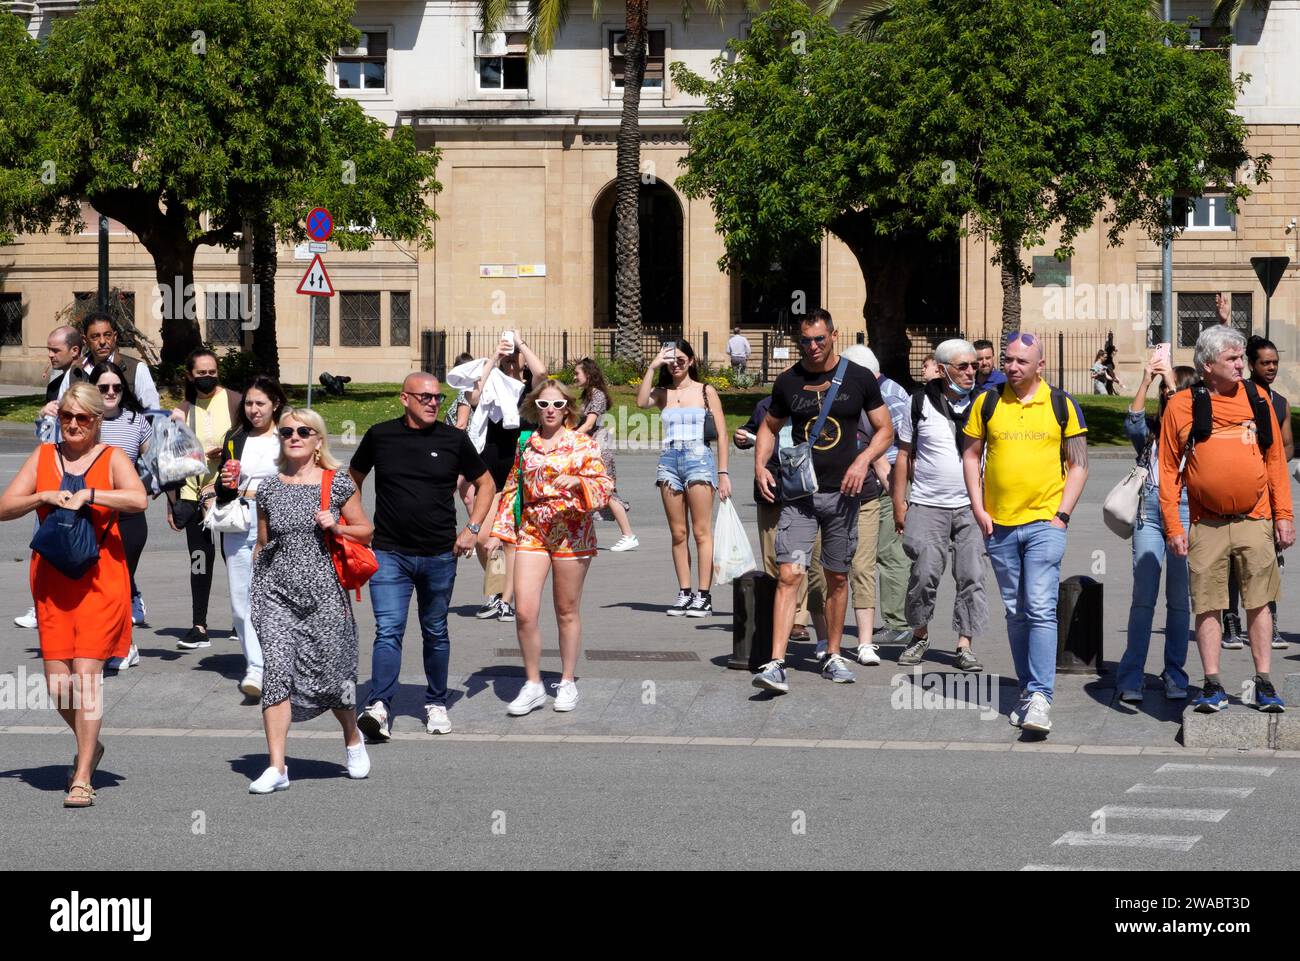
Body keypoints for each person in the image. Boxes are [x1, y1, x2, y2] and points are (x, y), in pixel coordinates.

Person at [0, 382, 148, 807]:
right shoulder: (44, 456)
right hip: (53, 582)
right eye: (67, 416)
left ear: (97, 421)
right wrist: (42, 495)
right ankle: (92, 744)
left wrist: (91, 494)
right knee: (58, 686)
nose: (73, 425)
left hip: (102, 580)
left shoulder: (112, 457)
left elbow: (138, 499)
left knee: (86, 677)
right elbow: (5, 506)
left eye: (83, 417)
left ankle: (83, 774)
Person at [751, 309, 894, 693]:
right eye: (805, 340)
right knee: (789, 574)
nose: (812, 347)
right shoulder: (788, 381)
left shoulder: (859, 378)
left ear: (833, 335)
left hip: (844, 496)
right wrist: (760, 465)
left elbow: (885, 430)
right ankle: (777, 662)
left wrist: (863, 461)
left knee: (836, 576)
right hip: (800, 497)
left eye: (819, 339)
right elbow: (768, 426)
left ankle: (833, 654)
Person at [352, 373, 496, 741]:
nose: (433, 403)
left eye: (436, 397)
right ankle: (379, 705)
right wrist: (358, 525)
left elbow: (487, 484)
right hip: (388, 553)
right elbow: (351, 478)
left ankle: (435, 702)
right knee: (388, 631)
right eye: (425, 397)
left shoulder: (453, 439)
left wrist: (472, 529)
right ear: (405, 398)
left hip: (439, 554)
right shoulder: (380, 435)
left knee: (435, 631)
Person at [1159, 326, 1294, 714]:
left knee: (1259, 602)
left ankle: (1264, 683)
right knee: (1208, 604)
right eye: (1232, 359)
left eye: (1241, 358)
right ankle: (1213, 684)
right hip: (1206, 523)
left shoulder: (1258, 400)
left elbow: (1274, 465)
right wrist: (1173, 525)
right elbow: (1168, 470)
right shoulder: (1182, 406)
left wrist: (1283, 516)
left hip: (1255, 519)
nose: (1241, 365)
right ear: (1206, 366)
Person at [963, 331, 1089, 735]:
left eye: (1021, 361)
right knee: (1016, 612)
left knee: (1038, 606)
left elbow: (1079, 463)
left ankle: (1040, 697)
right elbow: (970, 454)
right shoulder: (987, 401)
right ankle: (1026, 690)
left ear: (1040, 365)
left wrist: (1062, 516)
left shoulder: (1060, 403)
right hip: (998, 524)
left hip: (1044, 524)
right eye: (1008, 360)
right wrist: (978, 506)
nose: (1013, 367)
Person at [246, 406, 374, 793]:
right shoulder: (268, 487)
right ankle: (277, 767)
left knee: (333, 678)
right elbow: (264, 543)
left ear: (319, 440)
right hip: (276, 594)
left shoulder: (336, 483)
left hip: (324, 593)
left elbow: (366, 531)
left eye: (304, 431)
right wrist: (255, 585)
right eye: (287, 432)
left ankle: (352, 736)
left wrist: (336, 525)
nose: (295, 437)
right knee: (277, 673)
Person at [485, 380, 613, 715]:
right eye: (544, 405)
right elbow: (513, 487)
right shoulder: (526, 443)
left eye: (557, 405)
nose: (551, 411)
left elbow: (604, 487)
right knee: (525, 610)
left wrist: (580, 482)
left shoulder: (581, 444)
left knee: (566, 610)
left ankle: (567, 681)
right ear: (535, 409)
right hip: (532, 529)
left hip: (572, 530)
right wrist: (499, 532)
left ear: (568, 407)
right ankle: (533, 684)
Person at [892, 339, 988, 672]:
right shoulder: (918, 403)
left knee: (971, 575)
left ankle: (965, 644)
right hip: (927, 503)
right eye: (963, 366)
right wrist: (898, 502)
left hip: (972, 505)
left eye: (974, 365)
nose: (970, 371)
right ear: (943, 369)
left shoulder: (985, 402)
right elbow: (904, 455)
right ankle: (919, 634)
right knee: (924, 574)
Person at [1116, 358, 1196, 703]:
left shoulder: (1197, 428)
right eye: (1165, 389)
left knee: (1179, 602)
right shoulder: (1151, 430)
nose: (1167, 393)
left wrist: (1173, 386)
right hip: (1149, 513)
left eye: (1172, 388)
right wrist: (1147, 380)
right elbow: (1131, 423)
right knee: (1143, 599)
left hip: (1185, 512)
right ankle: (1131, 676)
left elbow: (1189, 433)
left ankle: (1174, 673)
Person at [637, 338, 733, 616]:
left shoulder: (705, 390)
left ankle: (704, 595)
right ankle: (684, 592)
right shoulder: (662, 393)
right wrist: (653, 366)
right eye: (672, 360)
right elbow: (641, 402)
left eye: (681, 359)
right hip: (669, 460)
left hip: (698, 459)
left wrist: (723, 472)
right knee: (678, 533)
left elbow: (723, 434)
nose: (676, 365)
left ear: (691, 361)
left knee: (702, 531)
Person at [213, 376, 289, 699]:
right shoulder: (236, 437)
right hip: (240, 522)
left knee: (278, 599)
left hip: (277, 522)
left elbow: (296, 479)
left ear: (275, 404)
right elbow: (222, 485)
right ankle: (255, 668)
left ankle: (280, 663)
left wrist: (256, 490)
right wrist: (226, 483)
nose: (254, 410)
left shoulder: (288, 436)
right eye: (248, 403)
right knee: (241, 601)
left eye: (260, 403)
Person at [465, 333, 546, 622]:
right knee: (482, 538)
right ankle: (497, 592)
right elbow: (473, 395)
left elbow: (543, 374)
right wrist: (494, 357)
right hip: (490, 471)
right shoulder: (492, 387)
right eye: (508, 355)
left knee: (509, 540)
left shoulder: (530, 392)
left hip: (519, 470)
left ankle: (506, 600)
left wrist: (522, 344)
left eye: (516, 355)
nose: (512, 358)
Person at [1219, 336, 1293, 650]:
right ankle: (1231, 621)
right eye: (1265, 362)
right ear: (1252, 364)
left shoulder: (1280, 402)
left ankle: (1269, 621)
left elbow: (1287, 444)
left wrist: (1271, 463)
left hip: (1267, 491)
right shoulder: (1240, 396)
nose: (1272, 367)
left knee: (1267, 559)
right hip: (1238, 491)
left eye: (1275, 362)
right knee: (1233, 558)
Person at [735, 396, 825, 647]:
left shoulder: (810, 405)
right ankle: (777, 612)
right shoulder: (765, 405)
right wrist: (740, 437)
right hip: (770, 488)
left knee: (798, 556)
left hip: (802, 486)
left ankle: (798, 618)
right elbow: (750, 431)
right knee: (772, 556)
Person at [167, 349, 242, 650]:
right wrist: (172, 504)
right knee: (200, 559)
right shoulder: (183, 409)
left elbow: (250, 440)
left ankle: (241, 620)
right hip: (193, 495)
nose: (208, 377)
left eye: (212, 372)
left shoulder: (236, 402)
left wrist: (226, 452)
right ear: (190, 376)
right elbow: (170, 459)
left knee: (235, 558)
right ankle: (199, 626)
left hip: (229, 492)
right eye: (201, 373)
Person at [18, 326, 87, 630]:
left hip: (79, 471)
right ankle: (43, 603)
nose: (49, 355)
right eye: (48, 349)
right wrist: (43, 416)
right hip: (54, 466)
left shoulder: (87, 381)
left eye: (55, 350)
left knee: (78, 541)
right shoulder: (57, 383)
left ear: (74, 351)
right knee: (45, 539)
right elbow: (46, 435)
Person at [841, 345, 911, 648]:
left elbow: (899, 442)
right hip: (875, 476)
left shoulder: (889, 394)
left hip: (887, 480)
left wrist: (896, 490)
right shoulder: (875, 390)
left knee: (889, 552)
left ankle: (898, 624)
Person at [90, 361, 155, 669]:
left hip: (128, 517)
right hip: (91, 516)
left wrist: (151, 489)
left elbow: (156, 461)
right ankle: (106, 643)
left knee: (121, 584)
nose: (111, 392)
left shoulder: (136, 421)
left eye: (117, 386)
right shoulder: (85, 421)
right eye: (104, 387)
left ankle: (126, 645)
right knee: (97, 585)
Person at [574, 357, 638, 552]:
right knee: (586, 491)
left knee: (606, 491)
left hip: (599, 449)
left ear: (588, 374)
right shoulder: (588, 394)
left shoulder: (597, 395)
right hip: (590, 447)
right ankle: (585, 536)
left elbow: (589, 424)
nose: (575, 376)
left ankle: (628, 535)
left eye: (577, 373)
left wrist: (568, 438)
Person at [72, 311, 160, 410]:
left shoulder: (136, 369)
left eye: (107, 335)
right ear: (85, 340)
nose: (102, 341)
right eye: (95, 336)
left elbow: (153, 411)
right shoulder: (75, 371)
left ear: (115, 336)